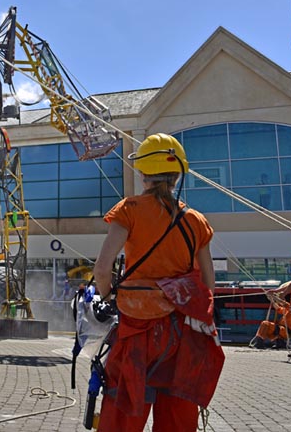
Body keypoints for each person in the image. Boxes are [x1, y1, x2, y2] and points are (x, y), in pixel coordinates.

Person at [92, 133, 224, 432]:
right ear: (178, 175)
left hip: (138, 327)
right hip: (183, 331)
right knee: (178, 411)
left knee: (124, 409)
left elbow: (102, 268)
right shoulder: (196, 220)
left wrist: (108, 298)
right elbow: (207, 281)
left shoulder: (129, 210)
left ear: (143, 174)